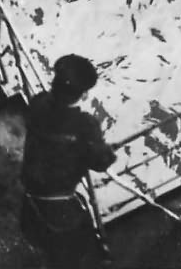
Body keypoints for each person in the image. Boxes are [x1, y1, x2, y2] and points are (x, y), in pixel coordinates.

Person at [20, 54, 116, 268]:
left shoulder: (38, 103)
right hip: (59, 208)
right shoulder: (85, 125)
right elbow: (101, 162)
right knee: (71, 251)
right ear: (84, 93)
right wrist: (108, 151)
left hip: (31, 197)